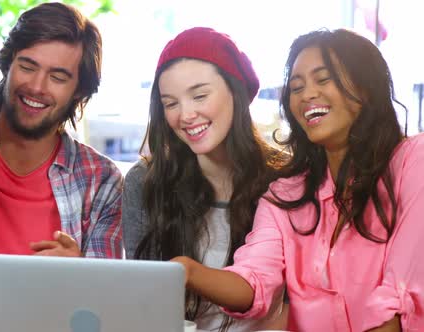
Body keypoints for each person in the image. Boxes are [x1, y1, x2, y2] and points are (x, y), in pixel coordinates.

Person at [172, 29, 424, 331]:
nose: (306, 95)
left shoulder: (413, 161)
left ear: (365, 87)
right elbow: (254, 279)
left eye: (323, 79)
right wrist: (188, 271)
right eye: (296, 86)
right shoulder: (286, 194)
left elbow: (402, 298)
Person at [0, 2, 123, 331]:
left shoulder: (101, 180)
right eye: (27, 66)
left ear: (79, 91)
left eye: (58, 77)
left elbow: (107, 308)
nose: (37, 87)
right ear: (8, 64)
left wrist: (84, 275)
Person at [122, 27, 287, 331]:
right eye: (170, 103)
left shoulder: (286, 179)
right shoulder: (146, 181)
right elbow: (142, 301)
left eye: (199, 95)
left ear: (236, 93)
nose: (185, 115)